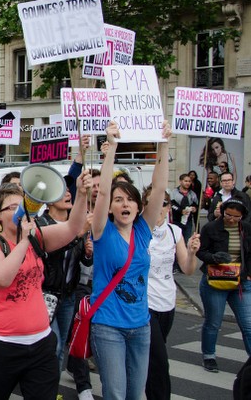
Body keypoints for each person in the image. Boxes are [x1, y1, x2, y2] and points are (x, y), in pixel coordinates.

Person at [0, 173, 91, 399]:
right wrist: (24, 241)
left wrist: (82, 193)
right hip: (3, 345)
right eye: (11, 207)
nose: (19, 211)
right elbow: (0, 278)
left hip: (40, 344)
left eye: (22, 205)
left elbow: (73, 228)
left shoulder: (37, 235)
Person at [89, 120, 170, 400]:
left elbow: (158, 190)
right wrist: (111, 148)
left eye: (130, 200)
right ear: (110, 207)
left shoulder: (143, 232)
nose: (125, 204)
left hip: (141, 327)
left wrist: (164, 142)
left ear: (138, 206)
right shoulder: (102, 231)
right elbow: (102, 192)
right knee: (116, 394)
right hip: (108, 326)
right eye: (119, 200)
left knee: (136, 395)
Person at [143, 186, 200, 400]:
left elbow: (187, 268)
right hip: (145, 303)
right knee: (159, 361)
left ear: (169, 207)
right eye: (153, 202)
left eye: (164, 203)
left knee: (152, 358)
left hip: (168, 302)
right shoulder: (139, 230)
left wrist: (193, 253)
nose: (159, 207)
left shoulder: (175, 232)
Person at [37, 179, 93, 372]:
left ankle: (52, 387)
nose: (68, 194)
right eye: (62, 192)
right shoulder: (41, 223)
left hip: (68, 295)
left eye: (69, 191)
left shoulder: (77, 223)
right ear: (50, 200)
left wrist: (87, 253)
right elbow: (51, 252)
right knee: (56, 343)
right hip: (45, 294)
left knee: (61, 347)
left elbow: (83, 262)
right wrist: (78, 234)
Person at [197, 196, 251, 373]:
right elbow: (201, 251)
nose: (232, 219)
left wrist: (248, 273)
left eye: (236, 217)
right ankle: (209, 356)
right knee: (213, 322)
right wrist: (214, 258)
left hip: (240, 283)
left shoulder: (247, 229)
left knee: (248, 324)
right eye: (228, 215)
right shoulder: (211, 228)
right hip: (215, 282)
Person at [171, 173, 199, 242]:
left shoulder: (192, 194)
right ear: (180, 181)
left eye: (189, 181)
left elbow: (196, 204)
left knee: (187, 240)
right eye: (186, 181)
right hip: (176, 220)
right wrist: (181, 211)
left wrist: (194, 209)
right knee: (176, 240)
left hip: (188, 220)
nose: (188, 183)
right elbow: (171, 204)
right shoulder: (174, 192)